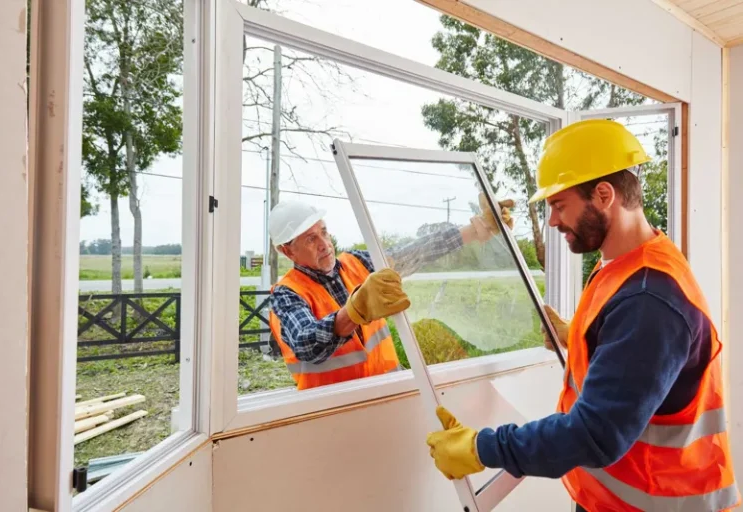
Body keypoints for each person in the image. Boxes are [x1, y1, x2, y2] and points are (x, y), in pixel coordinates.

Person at [425, 119, 740, 512]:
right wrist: (578, 335)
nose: (553, 221)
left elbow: (595, 434)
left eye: (559, 205)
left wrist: (482, 447)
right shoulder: (626, 263)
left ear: (604, 195)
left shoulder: (649, 299)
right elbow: (636, 356)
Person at [267, 194, 515, 391]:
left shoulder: (357, 263)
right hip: (335, 413)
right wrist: (354, 311)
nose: (324, 244)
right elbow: (307, 343)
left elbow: (415, 252)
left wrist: (474, 231)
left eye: (323, 232)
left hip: (389, 394)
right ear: (287, 251)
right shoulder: (286, 294)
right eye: (310, 239)